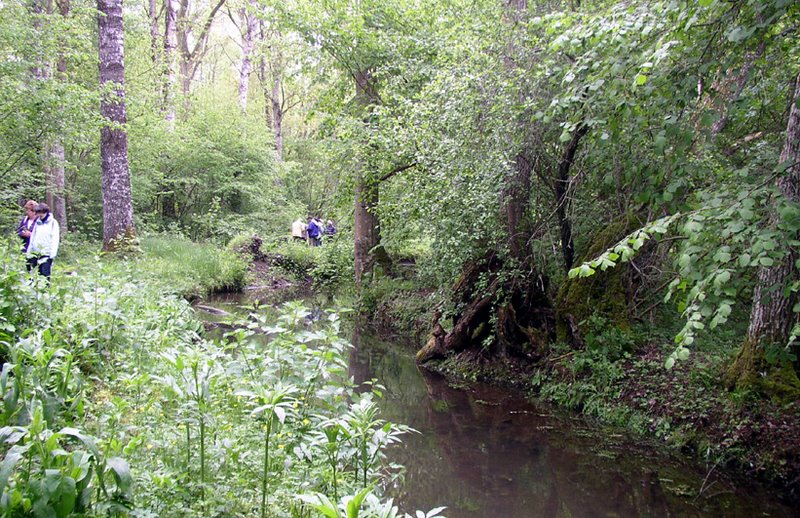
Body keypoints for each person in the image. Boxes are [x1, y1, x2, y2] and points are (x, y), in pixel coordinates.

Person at [26, 203, 60, 280]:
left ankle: (45, 291)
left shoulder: (53, 223)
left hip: (46, 254)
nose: (39, 215)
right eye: (38, 213)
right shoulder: (37, 223)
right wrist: (29, 252)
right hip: (35, 253)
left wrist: (52, 255)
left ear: (46, 212)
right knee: (33, 275)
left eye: (41, 213)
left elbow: (55, 239)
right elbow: (33, 238)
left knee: (44, 276)